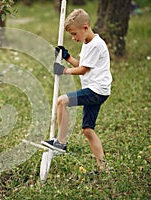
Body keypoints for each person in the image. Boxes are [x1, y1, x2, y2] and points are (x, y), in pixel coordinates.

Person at [41, 9, 112, 172]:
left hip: (96, 90)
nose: (73, 38)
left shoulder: (95, 45)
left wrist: (63, 70)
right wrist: (67, 57)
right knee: (87, 130)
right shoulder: (88, 43)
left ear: (85, 27)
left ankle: (61, 142)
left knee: (61, 101)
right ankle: (103, 167)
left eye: (74, 34)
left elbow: (83, 70)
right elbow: (81, 64)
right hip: (96, 90)